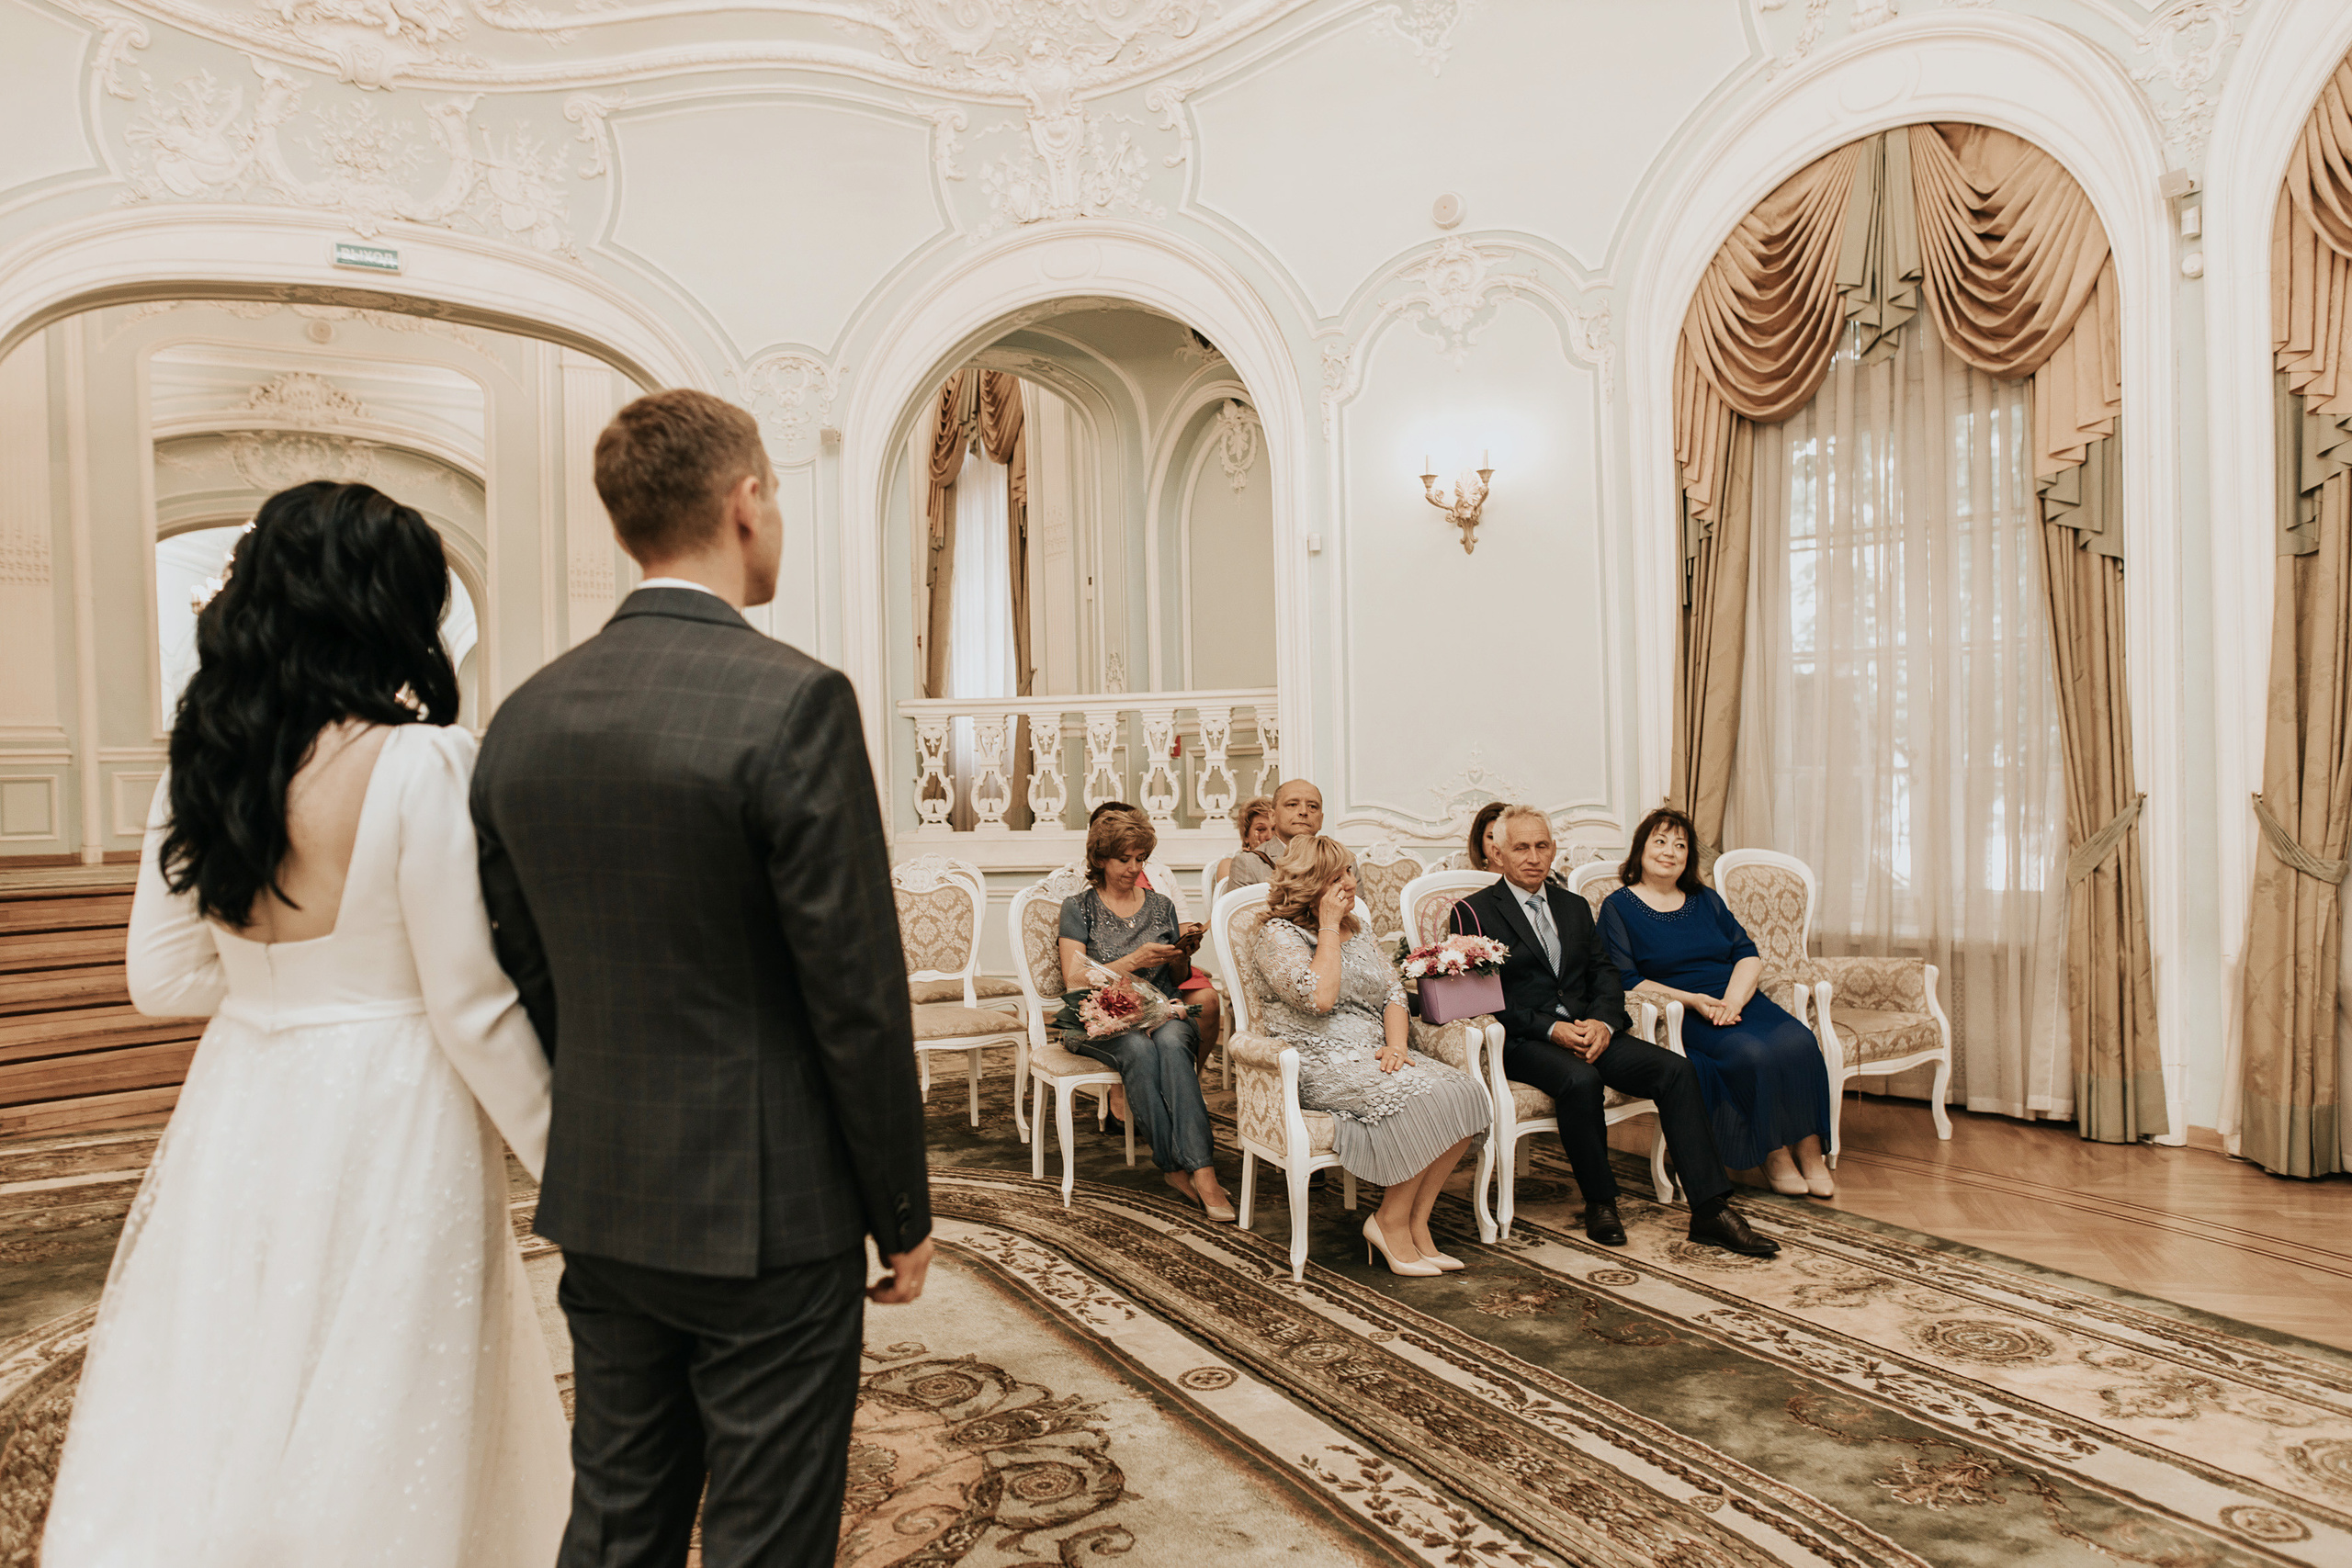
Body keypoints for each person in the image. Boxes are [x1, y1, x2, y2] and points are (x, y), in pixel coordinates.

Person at [43, 482, 568, 1567]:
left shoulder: (202, 761)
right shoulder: (421, 760)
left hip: (244, 1096)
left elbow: (159, 981)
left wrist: (282, 993)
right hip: (397, 1103)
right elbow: (469, 1006)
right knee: (391, 1374)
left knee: (237, 1366)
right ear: (385, 608)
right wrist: (568, 1161)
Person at [472, 389, 933, 1568]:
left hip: (609, 1188)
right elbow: (855, 993)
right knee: (764, 1534)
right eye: (774, 489)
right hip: (770, 1205)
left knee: (619, 1515)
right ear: (745, 501)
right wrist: (902, 1211)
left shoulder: (522, 719)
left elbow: (523, 964)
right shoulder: (793, 702)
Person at [1452, 805, 1778, 1258]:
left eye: (1541, 846)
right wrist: (1553, 1031)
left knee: (1677, 1071)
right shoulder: (1472, 913)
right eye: (1520, 847)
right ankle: (1601, 1202)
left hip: (1593, 1030)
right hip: (1526, 1041)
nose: (1533, 856)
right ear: (1498, 853)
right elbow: (1486, 1001)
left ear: (1553, 851)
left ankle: (1710, 1209)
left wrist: (1604, 1022)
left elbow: (1606, 975)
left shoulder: (1574, 905)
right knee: (1580, 1080)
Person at [1249, 836, 1490, 1277]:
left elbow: (1393, 993)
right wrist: (1326, 925)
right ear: (1309, 884)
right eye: (1336, 876)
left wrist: (1397, 1045)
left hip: (1376, 1053)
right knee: (1420, 1100)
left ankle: (1417, 1223)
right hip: (1318, 1063)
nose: (1349, 882)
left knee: (1467, 1094)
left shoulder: (1357, 930)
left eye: (1349, 872)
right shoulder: (1276, 935)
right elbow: (1319, 998)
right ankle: (1388, 1222)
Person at [1600, 807, 1836, 1198]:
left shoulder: (1705, 899)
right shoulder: (1618, 907)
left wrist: (1732, 1000)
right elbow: (1628, 979)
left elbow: (1747, 954)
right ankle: (1773, 1154)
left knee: (1801, 1042)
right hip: (1679, 1009)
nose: (1670, 852)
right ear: (1640, 849)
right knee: (1751, 1053)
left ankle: (1810, 1153)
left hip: (1734, 998)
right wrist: (1695, 1002)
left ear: (1689, 857)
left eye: (1680, 845)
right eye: (1659, 841)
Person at [1058, 809, 1235, 1221]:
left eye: (1141, 858)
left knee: (1173, 1042)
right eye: (1125, 859)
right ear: (1101, 859)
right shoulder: (1078, 907)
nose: (1135, 868)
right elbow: (1074, 978)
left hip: (1162, 1012)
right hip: (1100, 1017)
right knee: (1138, 1049)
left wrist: (1181, 956)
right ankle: (1173, 1165)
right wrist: (1134, 959)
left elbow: (1175, 978)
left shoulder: (1161, 905)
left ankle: (1202, 1170)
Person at [1226, 776, 1323, 886]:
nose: (1304, 811)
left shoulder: (1339, 861)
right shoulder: (1248, 864)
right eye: (1292, 804)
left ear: (1321, 820)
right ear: (1273, 816)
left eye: (1312, 806)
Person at [1216, 795, 1276, 887]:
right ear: (1246, 836)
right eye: (1261, 829)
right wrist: (1257, 858)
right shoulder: (1228, 864)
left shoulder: (1288, 860)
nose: (1270, 836)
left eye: (1274, 829)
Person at [1457, 799, 1507, 872]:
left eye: (1504, 837)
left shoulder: (1527, 880)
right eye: (1491, 837)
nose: (1497, 844)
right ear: (1479, 839)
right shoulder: (1468, 880)